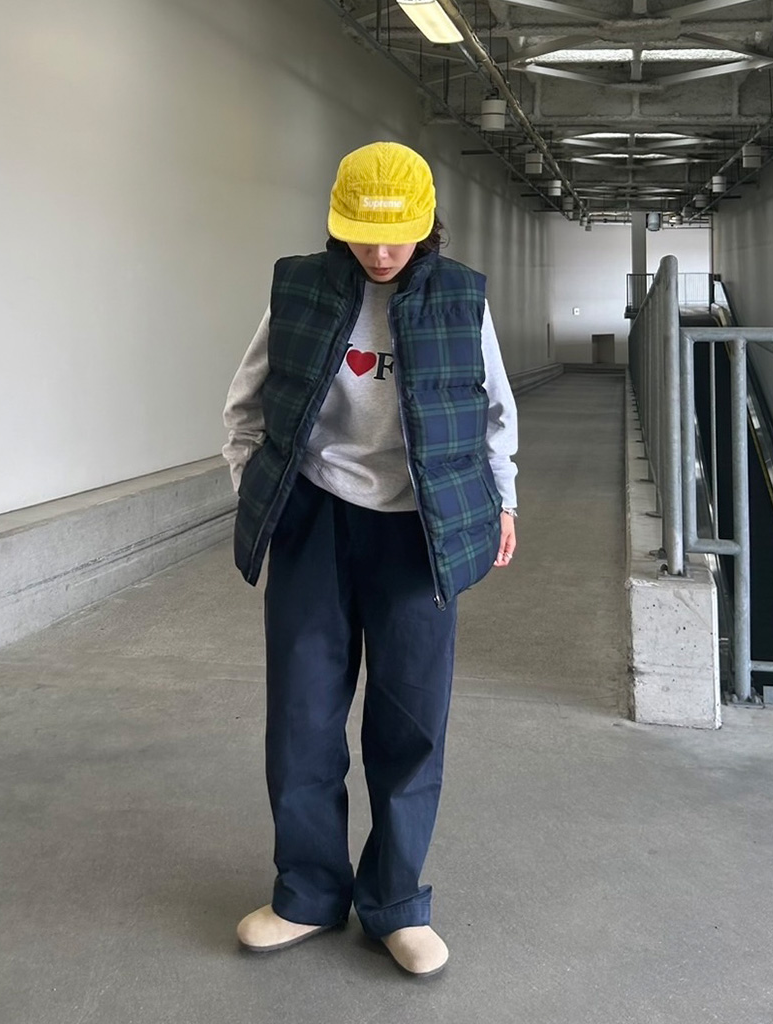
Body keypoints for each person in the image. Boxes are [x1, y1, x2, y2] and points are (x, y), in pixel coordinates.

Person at [222, 141, 518, 977]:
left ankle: (395, 902)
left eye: (396, 236)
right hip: (316, 520)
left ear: (427, 227)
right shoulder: (301, 290)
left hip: (418, 531)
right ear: (337, 222)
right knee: (303, 715)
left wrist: (504, 500)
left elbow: (495, 410)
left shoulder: (459, 299)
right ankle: (306, 894)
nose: (381, 252)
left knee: (411, 721)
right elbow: (245, 405)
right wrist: (260, 491)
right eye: (364, 233)